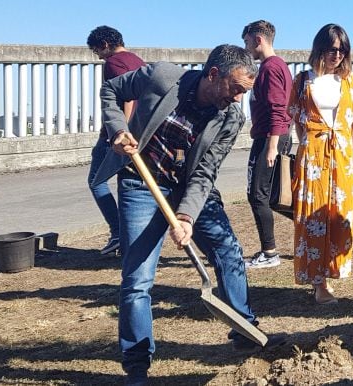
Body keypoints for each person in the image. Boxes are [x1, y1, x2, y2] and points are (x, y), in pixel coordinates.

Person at [95, 44, 263, 384]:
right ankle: (137, 366)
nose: (237, 99)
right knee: (137, 280)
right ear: (213, 75)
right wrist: (117, 130)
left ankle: (245, 331)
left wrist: (186, 216)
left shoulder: (231, 118)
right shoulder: (162, 76)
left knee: (228, 252)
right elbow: (110, 90)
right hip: (141, 184)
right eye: (235, 89)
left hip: (189, 188)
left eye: (244, 93)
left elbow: (205, 174)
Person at [288, 24, 353, 305]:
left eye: (342, 49)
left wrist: (346, 150)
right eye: (332, 48)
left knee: (339, 217)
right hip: (312, 157)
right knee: (312, 219)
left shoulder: (352, 83)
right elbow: (297, 122)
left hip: (342, 159)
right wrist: (311, 145)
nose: (337, 54)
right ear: (319, 48)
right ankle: (318, 283)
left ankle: (333, 271)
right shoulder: (302, 81)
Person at [86, 25, 145, 256]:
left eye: (96, 51)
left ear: (105, 45)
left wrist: (121, 131)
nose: (98, 56)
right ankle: (128, 237)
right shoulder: (138, 61)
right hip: (142, 132)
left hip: (117, 135)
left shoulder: (114, 63)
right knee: (127, 183)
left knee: (96, 180)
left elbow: (126, 97)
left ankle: (118, 233)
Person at [241, 20, 294, 269]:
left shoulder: (271, 68)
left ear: (258, 39)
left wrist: (272, 145)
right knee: (275, 196)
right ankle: (312, 228)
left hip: (270, 139)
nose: (247, 46)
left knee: (257, 195)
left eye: (247, 41)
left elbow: (278, 108)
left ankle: (270, 252)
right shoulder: (274, 66)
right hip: (271, 135)